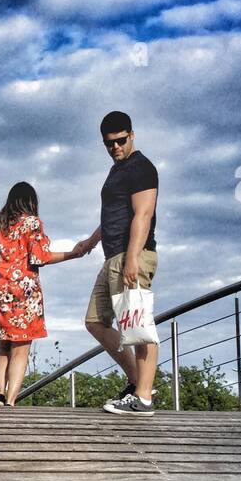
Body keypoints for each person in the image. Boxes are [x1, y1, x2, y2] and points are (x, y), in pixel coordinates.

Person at [71, 111, 160, 415]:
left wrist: (132, 257)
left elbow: (143, 214)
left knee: (138, 325)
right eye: (109, 144)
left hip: (132, 255)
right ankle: (137, 383)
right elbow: (113, 215)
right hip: (113, 256)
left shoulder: (142, 168)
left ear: (132, 134)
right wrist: (90, 242)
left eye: (120, 141)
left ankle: (145, 398)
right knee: (95, 320)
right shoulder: (116, 170)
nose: (115, 148)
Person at [0, 182, 85, 405]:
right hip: (25, 295)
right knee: (21, 349)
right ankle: (11, 400)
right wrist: (72, 254)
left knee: (3, 346)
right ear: (31, 201)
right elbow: (41, 257)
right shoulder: (32, 223)